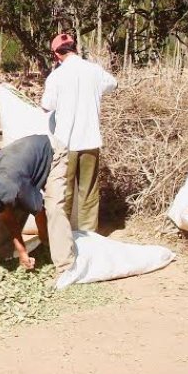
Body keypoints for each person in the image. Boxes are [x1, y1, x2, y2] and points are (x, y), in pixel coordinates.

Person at [0, 134, 75, 273]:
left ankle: (66, 268)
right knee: (8, 213)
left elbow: (39, 211)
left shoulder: (13, 187)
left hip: (52, 154)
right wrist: (22, 252)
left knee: (54, 209)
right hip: (24, 166)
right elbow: (7, 218)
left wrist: (44, 239)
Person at [41, 33, 117, 232]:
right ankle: (88, 237)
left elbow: (46, 106)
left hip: (65, 144)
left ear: (56, 55)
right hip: (90, 140)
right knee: (89, 193)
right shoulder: (94, 70)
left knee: (63, 193)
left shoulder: (56, 76)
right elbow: (113, 84)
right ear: (74, 49)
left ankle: (64, 237)